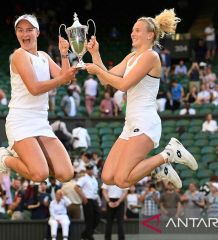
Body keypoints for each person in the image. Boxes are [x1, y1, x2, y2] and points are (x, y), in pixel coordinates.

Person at [84, 9, 197, 189]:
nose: (132, 33)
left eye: (137, 30)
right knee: (107, 177)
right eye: (132, 30)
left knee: (122, 180)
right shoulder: (131, 57)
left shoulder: (151, 56)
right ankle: (161, 168)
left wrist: (97, 70)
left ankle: (169, 153)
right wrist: (95, 54)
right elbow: (106, 79)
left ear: (150, 35)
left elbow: (123, 84)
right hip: (130, 124)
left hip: (145, 123)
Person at [0, 14, 77, 184]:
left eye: (29, 30)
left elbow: (66, 78)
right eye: (20, 30)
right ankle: (4, 159)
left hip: (40, 122)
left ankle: (30, 160)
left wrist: (64, 55)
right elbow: (35, 88)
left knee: (66, 174)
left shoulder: (44, 56)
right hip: (20, 122)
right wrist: (61, 80)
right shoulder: (19, 55)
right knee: (39, 175)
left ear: (37, 32)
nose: (24, 34)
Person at [75, 163, 101, 240]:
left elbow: (95, 191)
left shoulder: (94, 179)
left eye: (91, 169)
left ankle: (85, 233)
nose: (90, 171)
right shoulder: (83, 178)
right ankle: (89, 235)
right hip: (87, 200)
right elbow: (76, 187)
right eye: (88, 169)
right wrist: (83, 197)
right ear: (86, 170)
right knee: (89, 219)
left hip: (94, 199)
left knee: (98, 217)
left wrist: (98, 201)